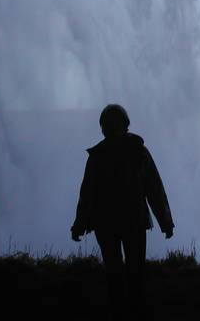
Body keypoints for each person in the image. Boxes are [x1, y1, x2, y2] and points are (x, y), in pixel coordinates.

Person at [71, 104, 174, 314]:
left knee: (113, 271)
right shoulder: (138, 152)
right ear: (125, 125)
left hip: (105, 223)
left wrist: (79, 225)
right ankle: (137, 310)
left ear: (104, 128)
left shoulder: (97, 156)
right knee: (135, 271)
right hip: (133, 221)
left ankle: (118, 310)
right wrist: (165, 221)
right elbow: (154, 189)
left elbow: (87, 195)